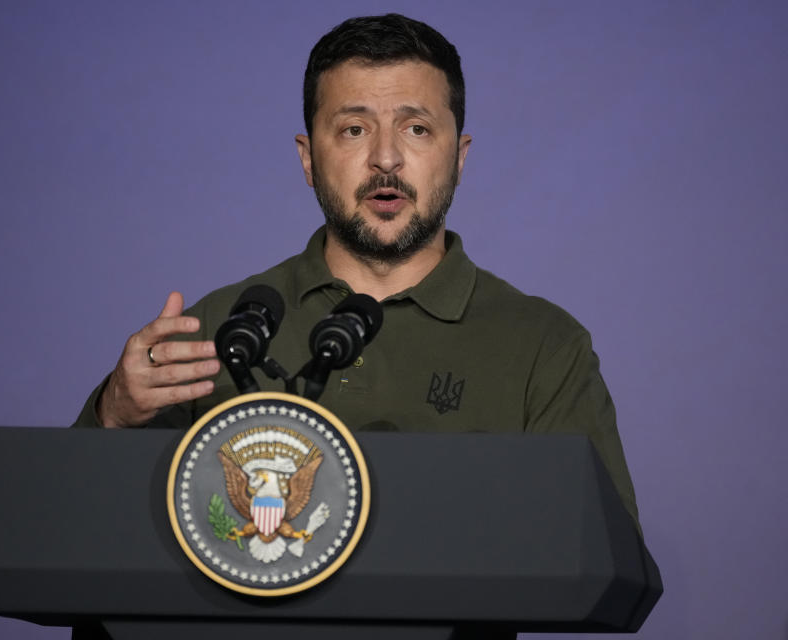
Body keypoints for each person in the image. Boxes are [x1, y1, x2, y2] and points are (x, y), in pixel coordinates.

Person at [71, 13, 639, 527]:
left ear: (459, 157)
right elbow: (76, 532)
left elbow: (604, 558)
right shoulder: (218, 331)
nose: (386, 158)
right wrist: (114, 413)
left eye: (416, 128)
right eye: (353, 129)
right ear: (307, 159)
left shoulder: (544, 346)